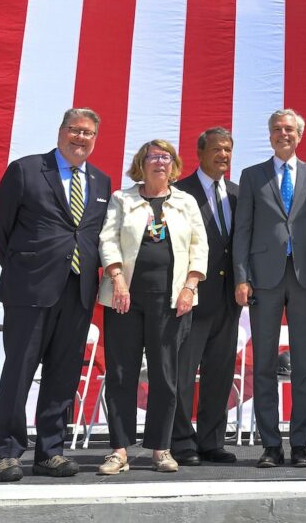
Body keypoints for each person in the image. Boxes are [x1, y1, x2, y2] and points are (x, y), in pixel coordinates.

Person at [0, 108, 111, 482]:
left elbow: (93, 234)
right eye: (74, 130)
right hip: (30, 290)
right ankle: (7, 453)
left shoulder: (102, 182)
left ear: (94, 139)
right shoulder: (25, 170)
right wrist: (25, 266)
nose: (80, 138)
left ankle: (50, 452)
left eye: (88, 133)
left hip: (78, 291)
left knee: (63, 375)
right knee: (19, 372)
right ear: (61, 132)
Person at [97, 140, 208, 475]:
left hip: (172, 300)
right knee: (120, 373)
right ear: (141, 163)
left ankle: (161, 449)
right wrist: (117, 279)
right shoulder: (122, 198)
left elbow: (199, 246)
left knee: (165, 375)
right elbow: (107, 239)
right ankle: (118, 451)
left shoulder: (186, 202)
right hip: (124, 298)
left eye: (166, 157)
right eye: (154, 156)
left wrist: (190, 287)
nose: (160, 162)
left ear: (173, 165)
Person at [232, 109, 306, 468]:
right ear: (269, 135)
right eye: (276, 129)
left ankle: (301, 443)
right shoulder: (252, 175)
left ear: (299, 135)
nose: (282, 134)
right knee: (265, 365)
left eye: (289, 129)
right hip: (263, 279)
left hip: (304, 281)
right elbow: (242, 230)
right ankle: (271, 444)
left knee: (305, 364)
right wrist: (241, 277)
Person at [172, 127, 240, 466]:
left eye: (228, 149)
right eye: (217, 149)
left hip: (228, 301)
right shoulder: (179, 191)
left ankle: (212, 440)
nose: (223, 155)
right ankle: (181, 441)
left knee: (220, 373)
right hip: (190, 298)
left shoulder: (239, 194)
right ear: (200, 153)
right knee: (183, 373)